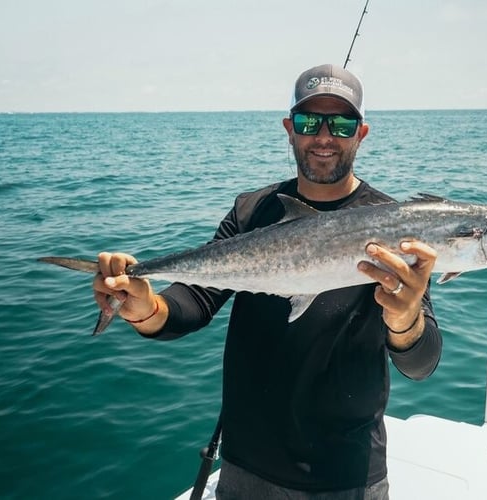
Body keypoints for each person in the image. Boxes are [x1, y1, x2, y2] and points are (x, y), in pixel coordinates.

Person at [93, 64, 443, 499]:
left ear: (362, 132)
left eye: (341, 123)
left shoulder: (396, 225)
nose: (323, 136)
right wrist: (143, 307)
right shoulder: (252, 212)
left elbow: (421, 363)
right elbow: (194, 301)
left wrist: (405, 317)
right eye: (309, 122)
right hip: (246, 470)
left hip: (347, 476)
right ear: (289, 129)